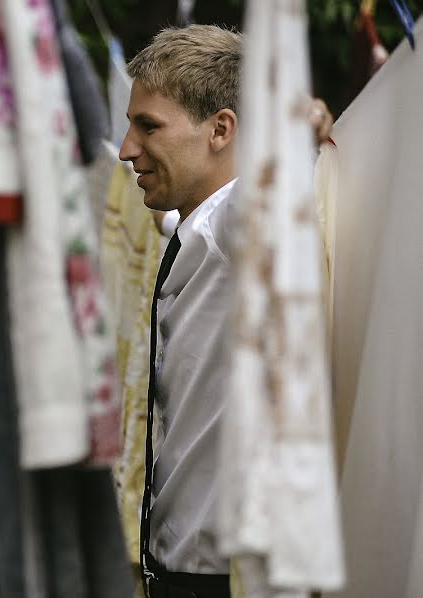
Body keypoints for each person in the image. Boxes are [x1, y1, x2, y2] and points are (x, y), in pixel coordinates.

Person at [118, 25, 331, 598]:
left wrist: (298, 136)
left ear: (221, 129)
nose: (125, 148)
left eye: (149, 126)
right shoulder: (189, 227)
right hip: (174, 571)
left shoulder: (235, 225)